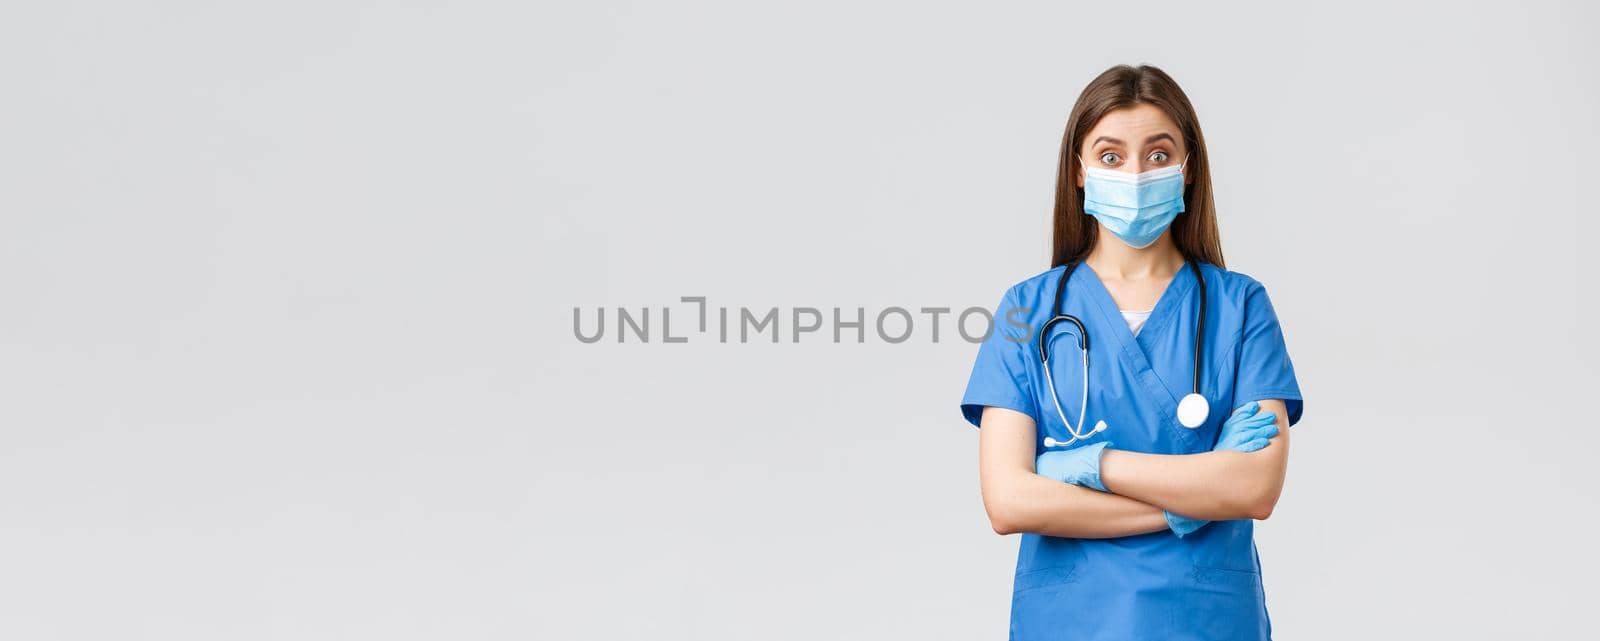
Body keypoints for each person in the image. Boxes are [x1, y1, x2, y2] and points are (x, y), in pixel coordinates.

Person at [960, 64, 1305, 640]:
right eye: (1112, 156)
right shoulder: (1028, 309)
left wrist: (1092, 468)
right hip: (1072, 623)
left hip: (1205, 621)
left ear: (1188, 169)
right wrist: (1188, 502)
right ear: (1079, 171)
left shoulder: (1240, 306)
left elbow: (1253, 488)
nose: (1137, 175)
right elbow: (1010, 500)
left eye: (1159, 154)